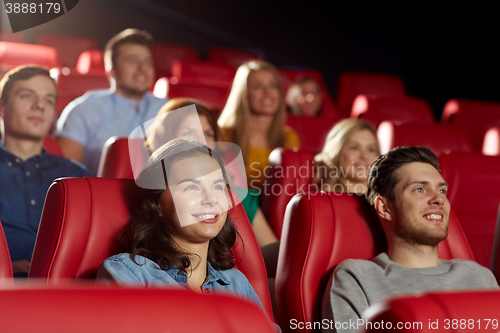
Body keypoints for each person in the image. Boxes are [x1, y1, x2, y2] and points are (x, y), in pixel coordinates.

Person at [322, 146, 499, 333]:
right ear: (385, 208)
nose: (438, 199)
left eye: (441, 191)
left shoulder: (479, 276)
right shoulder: (356, 278)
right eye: (420, 189)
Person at [96, 139, 265, 307]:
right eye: (191, 187)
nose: (211, 199)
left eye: (217, 187)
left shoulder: (237, 283)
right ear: (158, 205)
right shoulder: (129, 274)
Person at [146, 98, 278, 248]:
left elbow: (271, 249)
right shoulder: (152, 194)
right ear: (165, 140)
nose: (201, 141)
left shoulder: (240, 198)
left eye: (208, 134)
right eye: (188, 133)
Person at [0, 66, 91, 276]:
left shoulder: (77, 177)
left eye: (48, 100)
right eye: (27, 96)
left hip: (64, 293)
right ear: (2, 107)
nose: (40, 105)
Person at [55, 28, 167, 174]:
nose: (142, 69)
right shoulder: (83, 109)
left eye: (147, 62)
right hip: (98, 193)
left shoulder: (169, 110)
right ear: (112, 70)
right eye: (132, 61)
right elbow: (66, 176)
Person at [313, 119, 380, 194]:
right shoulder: (318, 201)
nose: (364, 156)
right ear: (337, 152)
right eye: (354, 148)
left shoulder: (388, 202)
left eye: (371, 149)